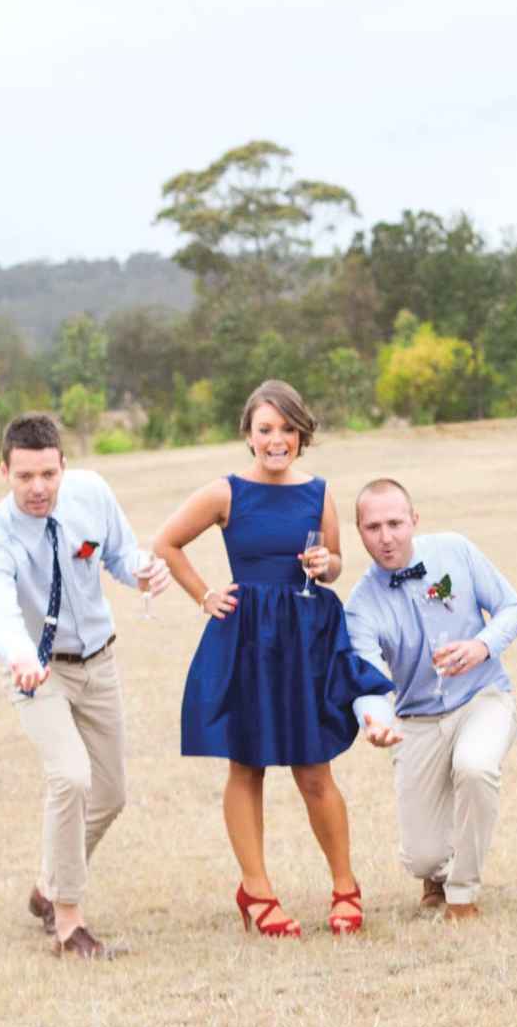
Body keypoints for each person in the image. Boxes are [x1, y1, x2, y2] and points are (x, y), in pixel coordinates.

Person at [153, 380, 390, 939]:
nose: (277, 440)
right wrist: (205, 595)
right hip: (248, 639)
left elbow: (335, 564)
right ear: (249, 435)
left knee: (314, 769)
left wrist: (324, 564)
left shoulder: (320, 493)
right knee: (247, 764)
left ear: (302, 434)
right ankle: (256, 891)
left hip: (305, 638)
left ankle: (345, 887)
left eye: (287, 429)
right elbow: (165, 544)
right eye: (266, 430)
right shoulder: (225, 492)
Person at [0, 412, 169, 957]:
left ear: (64, 467)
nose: (38, 489)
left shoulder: (91, 494)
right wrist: (19, 656)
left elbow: (121, 557)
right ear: (3, 470)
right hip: (38, 670)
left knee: (112, 793)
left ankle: (48, 887)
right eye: (25, 476)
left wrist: (145, 569)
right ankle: (69, 923)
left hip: (99, 662)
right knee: (70, 778)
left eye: (48, 475)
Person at [344, 479, 517, 923]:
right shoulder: (360, 606)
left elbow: (512, 608)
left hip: (483, 696)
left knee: (475, 766)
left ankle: (462, 896)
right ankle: (438, 874)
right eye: (373, 527)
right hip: (417, 719)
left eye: (395, 523)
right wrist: (376, 721)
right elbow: (368, 680)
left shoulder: (455, 550)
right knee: (422, 858)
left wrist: (481, 646)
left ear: (414, 521)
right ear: (359, 531)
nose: (386, 537)